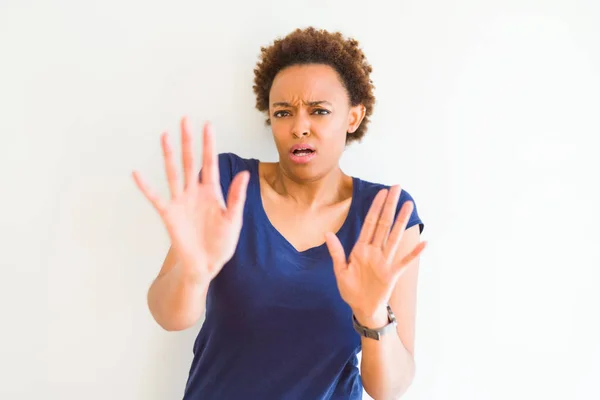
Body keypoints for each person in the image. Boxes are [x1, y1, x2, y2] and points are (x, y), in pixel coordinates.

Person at [132, 27, 427, 400]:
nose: (299, 127)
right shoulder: (227, 185)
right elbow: (169, 317)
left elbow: (390, 388)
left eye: (319, 111)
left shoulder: (386, 215)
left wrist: (372, 316)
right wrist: (193, 273)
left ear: (353, 116)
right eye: (283, 112)